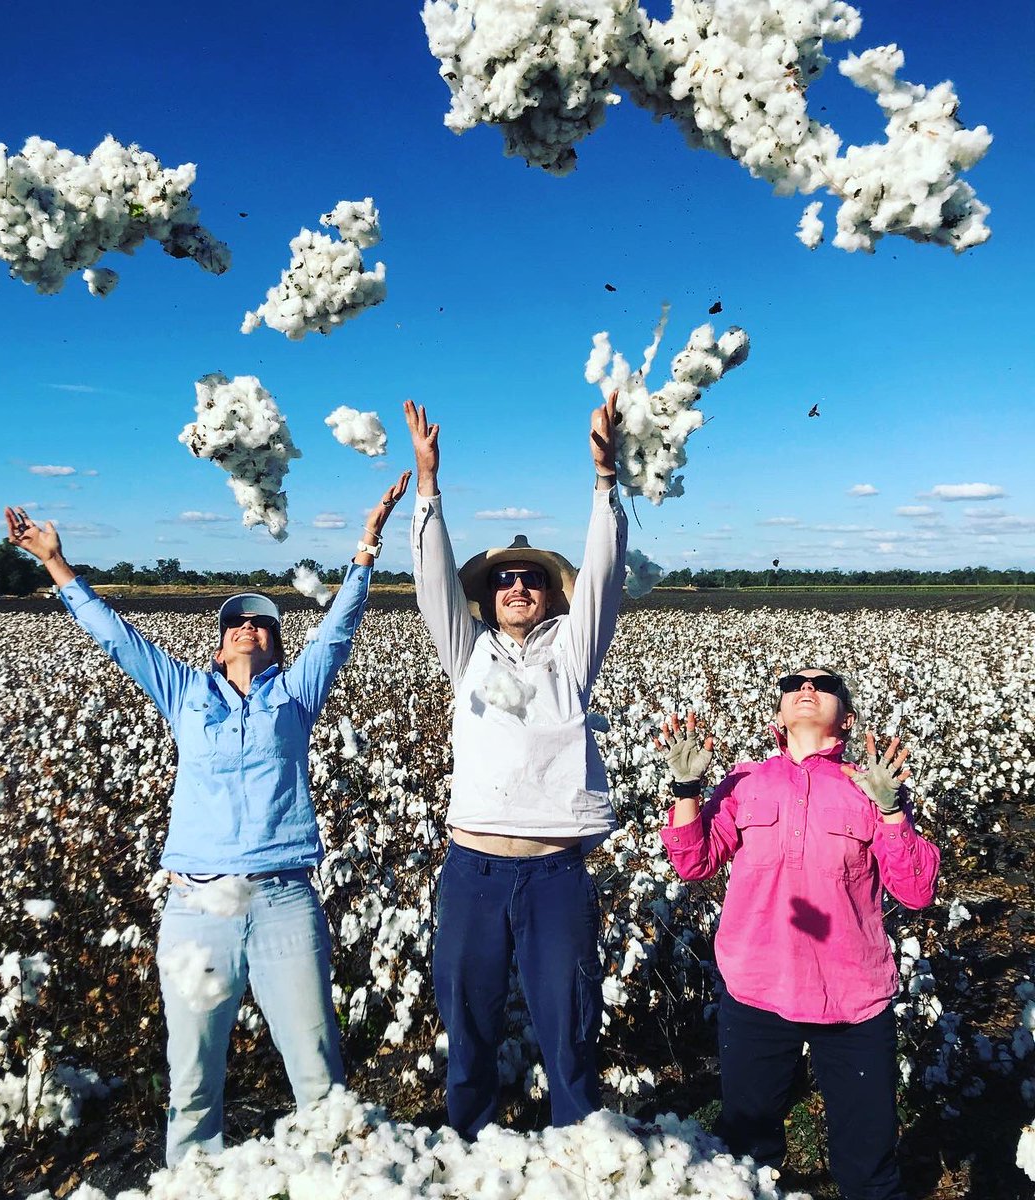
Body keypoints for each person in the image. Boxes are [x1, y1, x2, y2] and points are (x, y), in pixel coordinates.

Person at [4, 469, 410, 1167]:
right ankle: (190, 1180)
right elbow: (117, 637)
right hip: (195, 905)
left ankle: (342, 1180)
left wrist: (367, 545)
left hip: (284, 899)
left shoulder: (297, 696)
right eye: (236, 624)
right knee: (193, 1078)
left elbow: (339, 630)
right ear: (218, 644)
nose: (249, 627)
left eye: (262, 623)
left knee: (317, 1071)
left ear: (277, 645)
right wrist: (55, 562)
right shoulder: (184, 691)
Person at [403, 394, 630, 1138]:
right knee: (466, 1030)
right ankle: (465, 1149)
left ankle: (579, 1155)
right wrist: (428, 489)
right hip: (472, 869)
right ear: (488, 596)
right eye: (505, 580)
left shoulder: (572, 655)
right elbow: (433, 583)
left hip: (554, 873)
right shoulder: (466, 655)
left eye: (531, 578)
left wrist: (605, 484)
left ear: (548, 592)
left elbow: (600, 576)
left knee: (569, 1034)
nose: (519, 587)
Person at [656, 671, 940, 1200]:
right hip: (756, 992)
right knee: (746, 1153)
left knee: (867, 1164)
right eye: (793, 684)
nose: (806, 688)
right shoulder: (746, 781)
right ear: (778, 718)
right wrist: (687, 790)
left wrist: (893, 809)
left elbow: (917, 890)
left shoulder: (871, 787)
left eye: (824, 684)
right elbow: (694, 863)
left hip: (852, 999)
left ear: (848, 720)